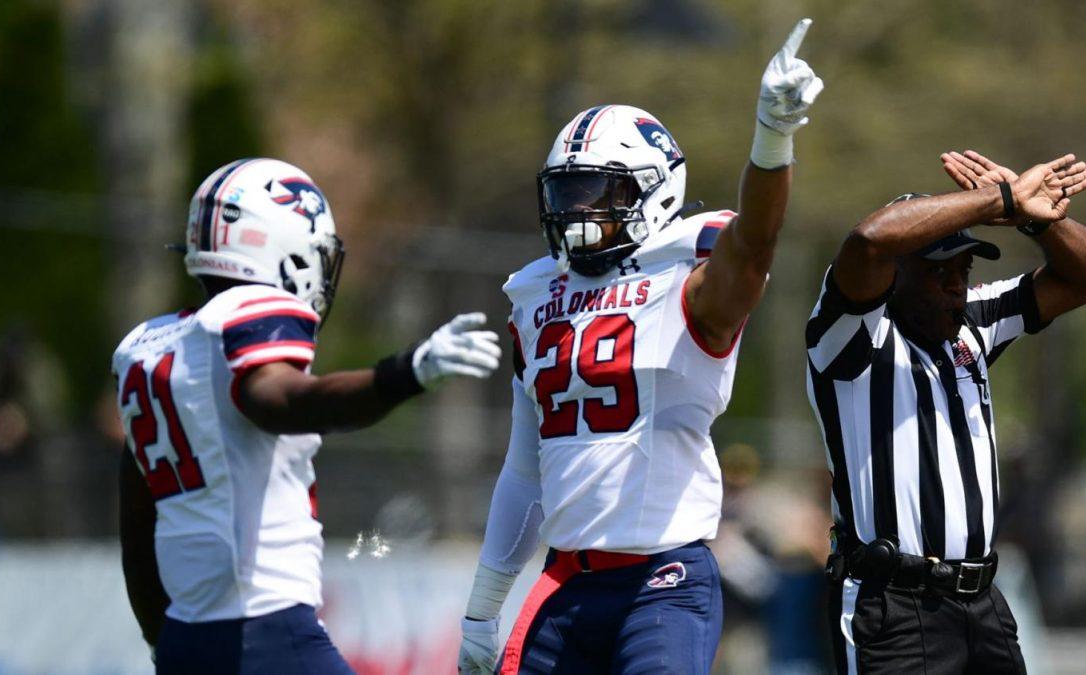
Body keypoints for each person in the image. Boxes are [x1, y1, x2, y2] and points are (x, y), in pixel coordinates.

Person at [458, 19, 824, 675]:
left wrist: (773, 138)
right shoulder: (537, 297)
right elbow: (525, 470)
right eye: (566, 194)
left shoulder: (689, 278)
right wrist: (484, 606)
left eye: (600, 194)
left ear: (656, 192)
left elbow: (756, 241)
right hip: (564, 581)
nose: (577, 213)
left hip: (664, 578)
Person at [114, 158, 501, 674]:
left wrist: (167, 647)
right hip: (267, 632)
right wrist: (403, 374)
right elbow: (283, 401)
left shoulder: (149, 350)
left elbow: (136, 526)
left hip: (186, 641)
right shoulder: (246, 316)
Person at [806, 149, 1086, 674]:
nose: (956, 284)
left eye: (962, 269)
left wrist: (1033, 219)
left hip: (984, 602)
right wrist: (999, 196)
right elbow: (868, 241)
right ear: (893, 275)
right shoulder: (850, 337)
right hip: (893, 605)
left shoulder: (972, 325)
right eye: (938, 270)